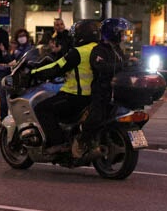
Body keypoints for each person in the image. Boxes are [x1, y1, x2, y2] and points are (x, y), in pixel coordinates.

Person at [30, 19, 100, 152]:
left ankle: (58, 143)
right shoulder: (101, 49)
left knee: (41, 108)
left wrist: (34, 72)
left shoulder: (78, 52)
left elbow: (57, 67)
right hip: (95, 97)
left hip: (75, 97)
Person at [73, 17, 129, 156]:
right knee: (96, 116)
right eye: (121, 33)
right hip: (102, 91)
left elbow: (123, 65)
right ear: (112, 32)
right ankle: (83, 140)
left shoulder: (117, 50)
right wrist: (123, 66)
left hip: (117, 91)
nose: (123, 36)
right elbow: (101, 67)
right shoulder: (99, 50)